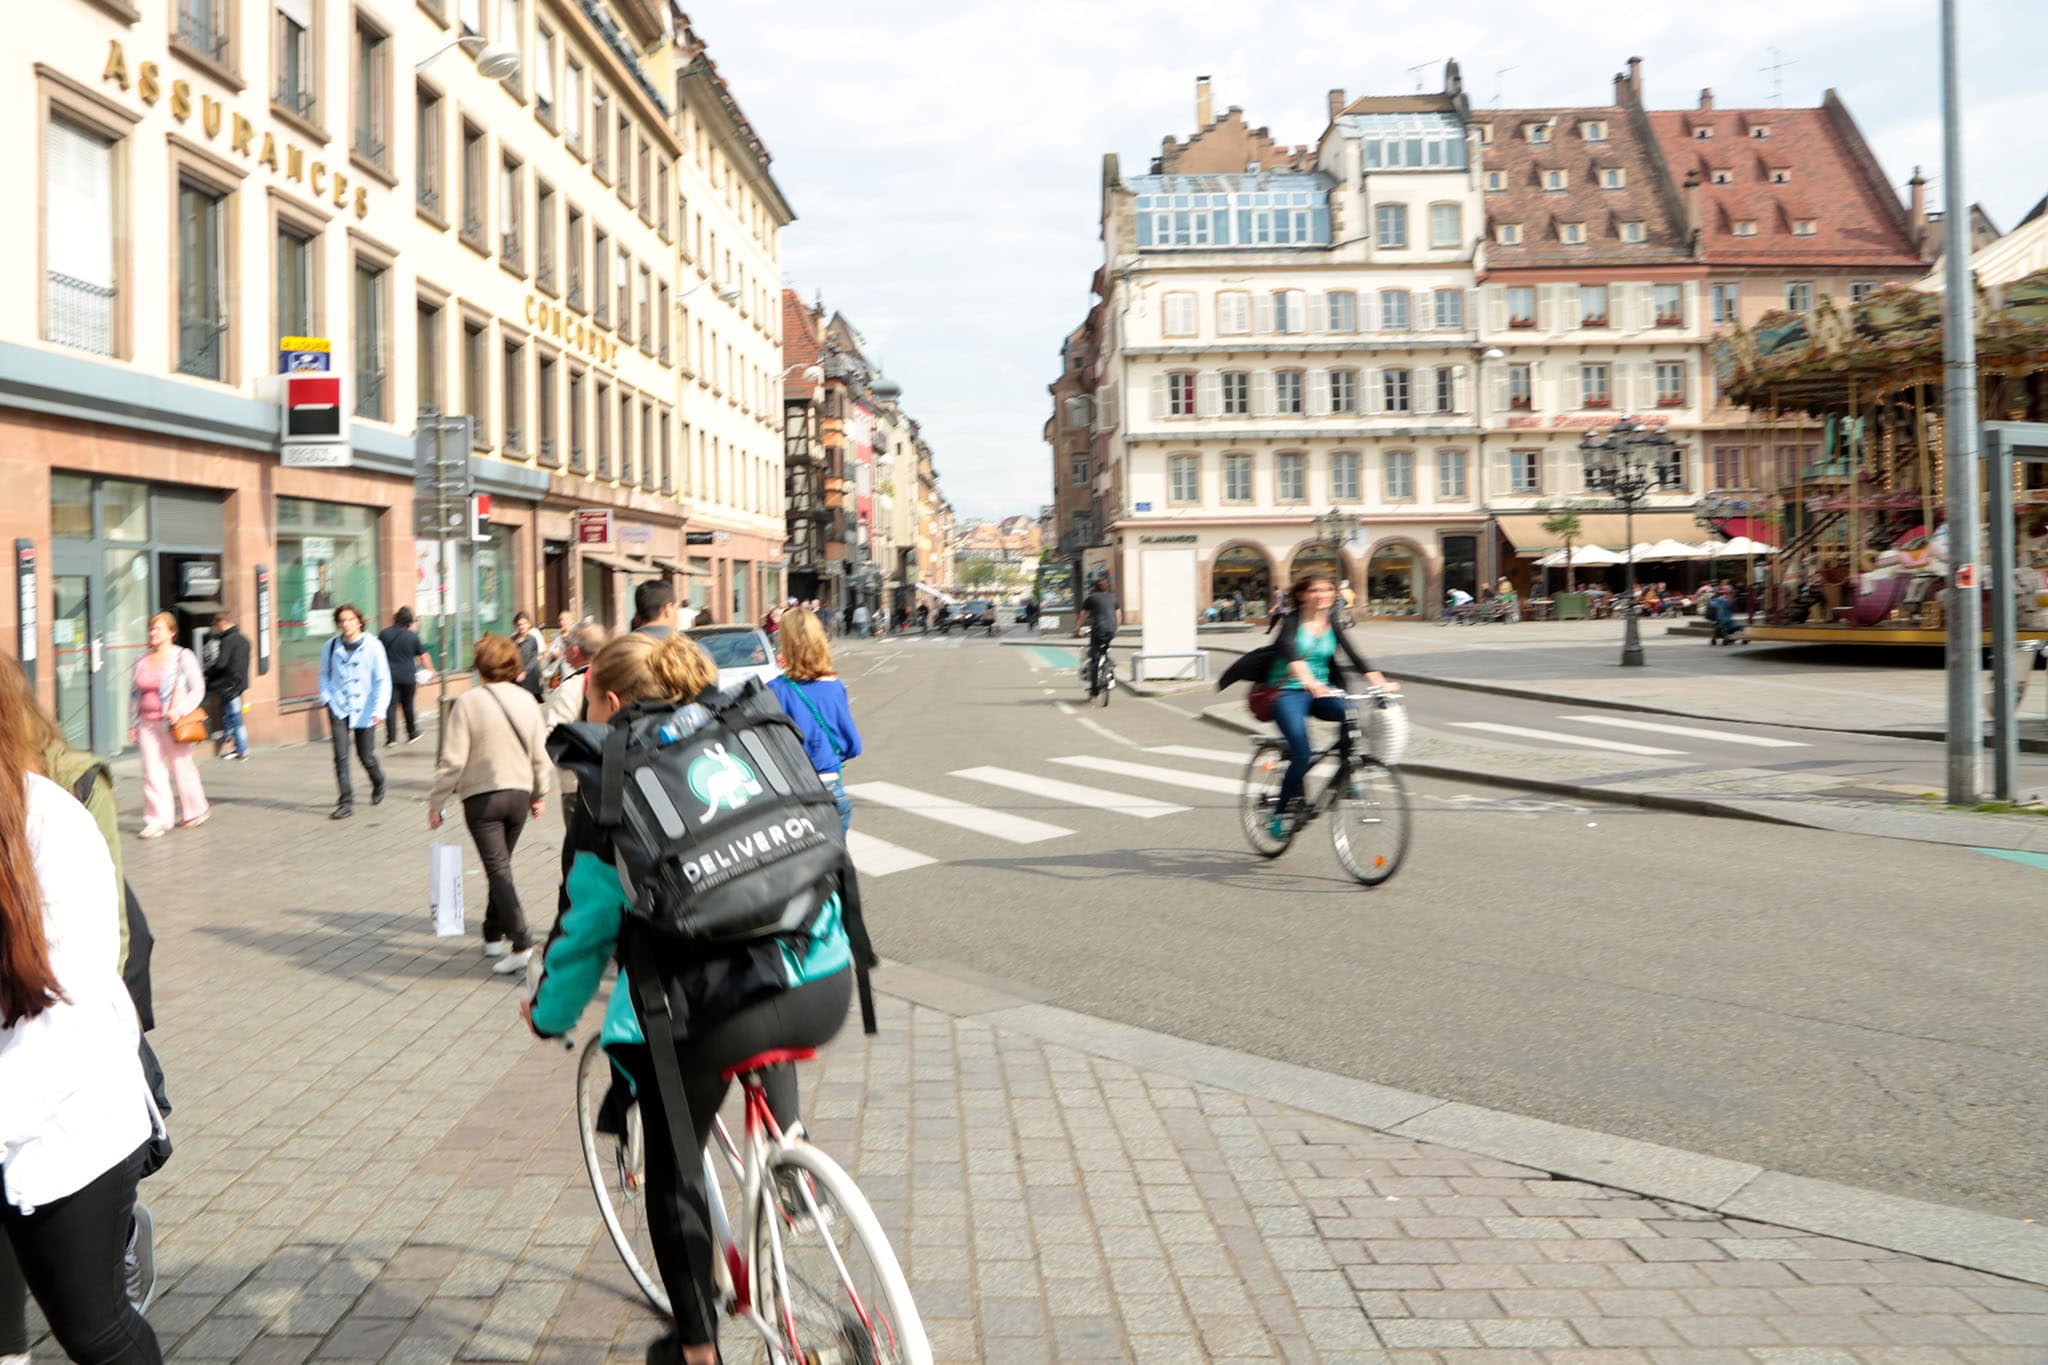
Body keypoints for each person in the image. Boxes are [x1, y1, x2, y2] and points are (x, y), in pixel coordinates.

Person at [525, 632, 853, 1365]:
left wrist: (547, 1015)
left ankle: (698, 1351)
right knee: (763, 1035)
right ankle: (787, 1161)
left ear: (610, 701)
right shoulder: (753, 729)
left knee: (675, 1167)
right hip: (822, 977)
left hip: (705, 1016)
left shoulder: (614, 784)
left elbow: (583, 933)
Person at [0, 660, 166, 1365]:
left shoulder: (51, 824)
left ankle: (123, 1235)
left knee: (94, 1328)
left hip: (69, 1126)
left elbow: (66, 1020)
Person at [429, 634, 550, 975]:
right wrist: (539, 793)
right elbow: (541, 756)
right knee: (501, 866)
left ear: (481, 665)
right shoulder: (528, 701)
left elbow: (452, 761)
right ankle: (492, 933)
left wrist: (436, 802)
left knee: (498, 869)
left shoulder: (467, 702)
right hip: (519, 795)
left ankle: (523, 942)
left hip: (482, 798)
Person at [1262, 572, 1395, 840]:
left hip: (1321, 692)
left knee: (1350, 715)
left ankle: (1344, 779)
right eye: (1314, 590)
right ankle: (1278, 812)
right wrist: (1310, 681)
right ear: (1301, 594)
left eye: (1327, 589)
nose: (1322, 595)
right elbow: (1292, 654)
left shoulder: (1332, 621)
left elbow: (1356, 656)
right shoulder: (1290, 622)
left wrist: (1381, 683)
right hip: (1287, 692)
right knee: (1302, 752)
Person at [768, 608, 862, 833]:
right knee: (835, 863)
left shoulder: (774, 689)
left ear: (785, 644)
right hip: (831, 789)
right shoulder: (834, 686)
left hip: (793, 791)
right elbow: (853, 745)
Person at [129, 611, 208, 839]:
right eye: (151, 628)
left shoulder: (182, 657)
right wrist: (132, 722)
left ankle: (196, 810)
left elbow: (198, 688)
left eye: (158, 629)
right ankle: (157, 820)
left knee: (182, 767)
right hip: (146, 722)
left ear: (171, 633)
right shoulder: (141, 659)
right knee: (151, 771)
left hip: (172, 723)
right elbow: (133, 693)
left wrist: (180, 710)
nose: (153, 632)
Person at [318, 604, 390, 821]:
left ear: (359, 621)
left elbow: (382, 680)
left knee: (365, 755)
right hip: (339, 706)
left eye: (350, 619)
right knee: (340, 756)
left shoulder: (374, 646)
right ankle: (345, 801)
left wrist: (379, 709)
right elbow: (324, 674)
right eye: (341, 620)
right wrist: (327, 698)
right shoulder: (330, 646)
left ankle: (378, 781)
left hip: (365, 709)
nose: (345, 624)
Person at [539, 621, 608, 827]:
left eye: (566, 644)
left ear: (575, 650)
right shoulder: (617, 678)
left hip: (578, 784)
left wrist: (540, 787)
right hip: (617, 777)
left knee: (580, 847)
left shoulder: (570, 687)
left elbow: (551, 737)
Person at [377, 607, 431, 746]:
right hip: (408, 676)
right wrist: (431, 670)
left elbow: (377, 654)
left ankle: (391, 739)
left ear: (396, 618)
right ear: (409, 621)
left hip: (389, 677)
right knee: (408, 705)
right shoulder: (413, 636)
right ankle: (412, 734)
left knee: (390, 706)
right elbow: (423, 656)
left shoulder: (384, 634)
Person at [203, 610, 251, 762]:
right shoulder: (244, 639)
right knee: (231, 716)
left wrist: (208, 672)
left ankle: (242, 750)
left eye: (216, 626)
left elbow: (222, 663)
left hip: (229, 685)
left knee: (235, 717)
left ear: (222, 623)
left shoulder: (228, 640)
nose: (216, 630)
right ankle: (237, 748)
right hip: (238, 684)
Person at [1079, 576, 1121, 692]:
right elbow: (1118, 615)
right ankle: (1109, 666)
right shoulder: (1113, 598)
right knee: (1106, 650)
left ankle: (1094, 688)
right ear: (1107, 587)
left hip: (1098, 630)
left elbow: (1083, 615)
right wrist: (1116, 629)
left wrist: (1078, 628)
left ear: (1095, 588)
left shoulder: (1091, 598)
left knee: (1095, 657)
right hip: (1111, 630)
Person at [511, 612, 545, 701]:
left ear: (529, 624)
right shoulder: (512, 639)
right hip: (515, 677)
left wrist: (525, 672)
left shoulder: (532, 639)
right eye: (519, 624)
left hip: (530, 677)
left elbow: (534, 658)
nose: (522, 627)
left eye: (524, 624)